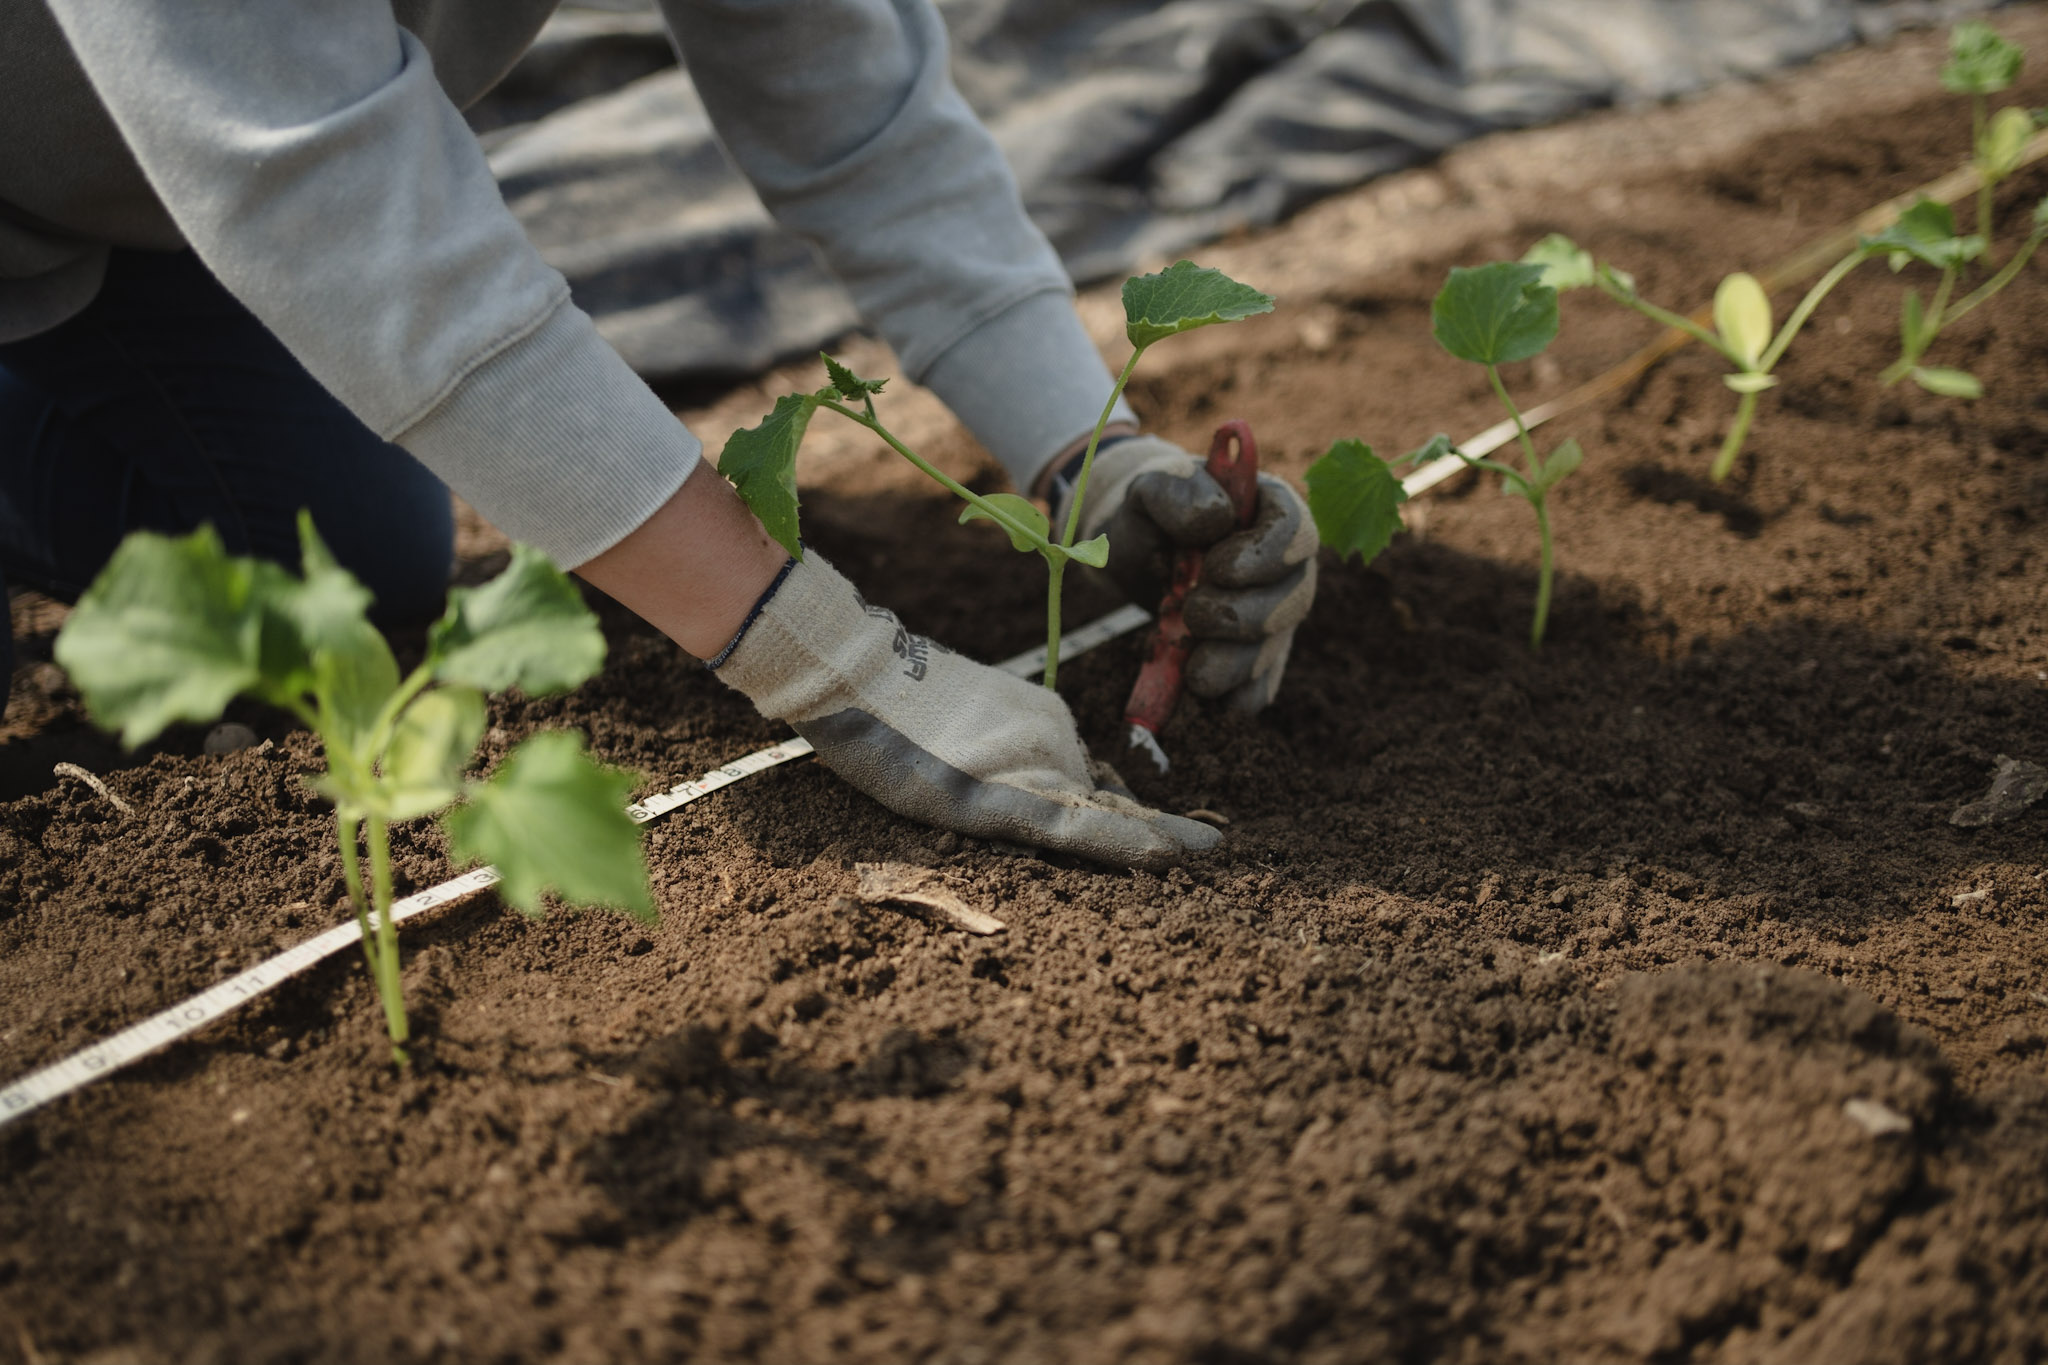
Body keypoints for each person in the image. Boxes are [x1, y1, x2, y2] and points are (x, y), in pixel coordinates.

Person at [0, 0, 1316, 869]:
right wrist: (830, 658)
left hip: (127, 184)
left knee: (339, 559)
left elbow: (853, 106)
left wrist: (1087, 454)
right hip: (163, 162)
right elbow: (339, 206)